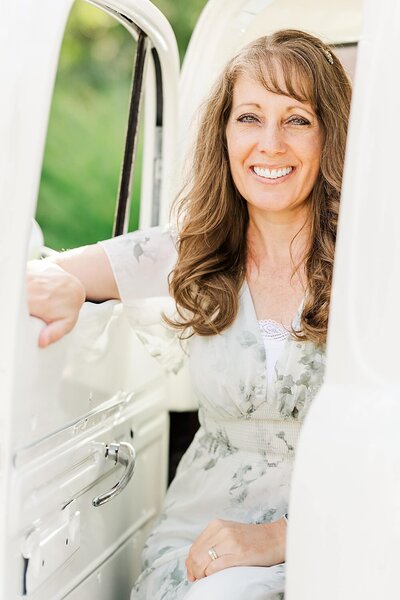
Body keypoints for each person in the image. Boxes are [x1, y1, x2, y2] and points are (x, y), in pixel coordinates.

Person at [27, 29, 351, 600]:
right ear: (224, 134)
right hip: (202, 546)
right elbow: (55, 273)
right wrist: (67, 287)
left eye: (296, 119)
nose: (270, 144)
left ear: (330, 135)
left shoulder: (374, 271)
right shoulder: (192, 251)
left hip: (346, 535)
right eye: (249, 117)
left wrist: (282, 537)